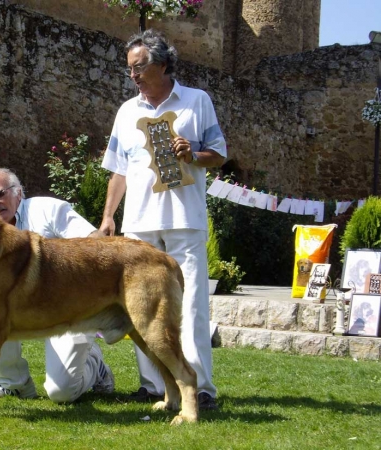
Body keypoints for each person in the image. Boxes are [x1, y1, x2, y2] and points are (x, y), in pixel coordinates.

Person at [99, 29, 227, 411]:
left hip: (185, 221)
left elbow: (219, 155)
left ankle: (201, 388)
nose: (133, 75)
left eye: (139, 67)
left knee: (192, 305)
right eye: (129, 70)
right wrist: (108, 217)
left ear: (164, 64)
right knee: (140, 306)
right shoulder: (126, 111)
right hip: (138, 224)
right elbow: (118, 171)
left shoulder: (196, 101)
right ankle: (153, 386)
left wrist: (194, 155)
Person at [0, 168, 114, 403]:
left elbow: (96, 242)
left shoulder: (47, 209)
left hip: (69, 308)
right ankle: (14, 383)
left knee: (62, 393)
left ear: (18, 193)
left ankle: (95, 365)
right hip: (21, 308)